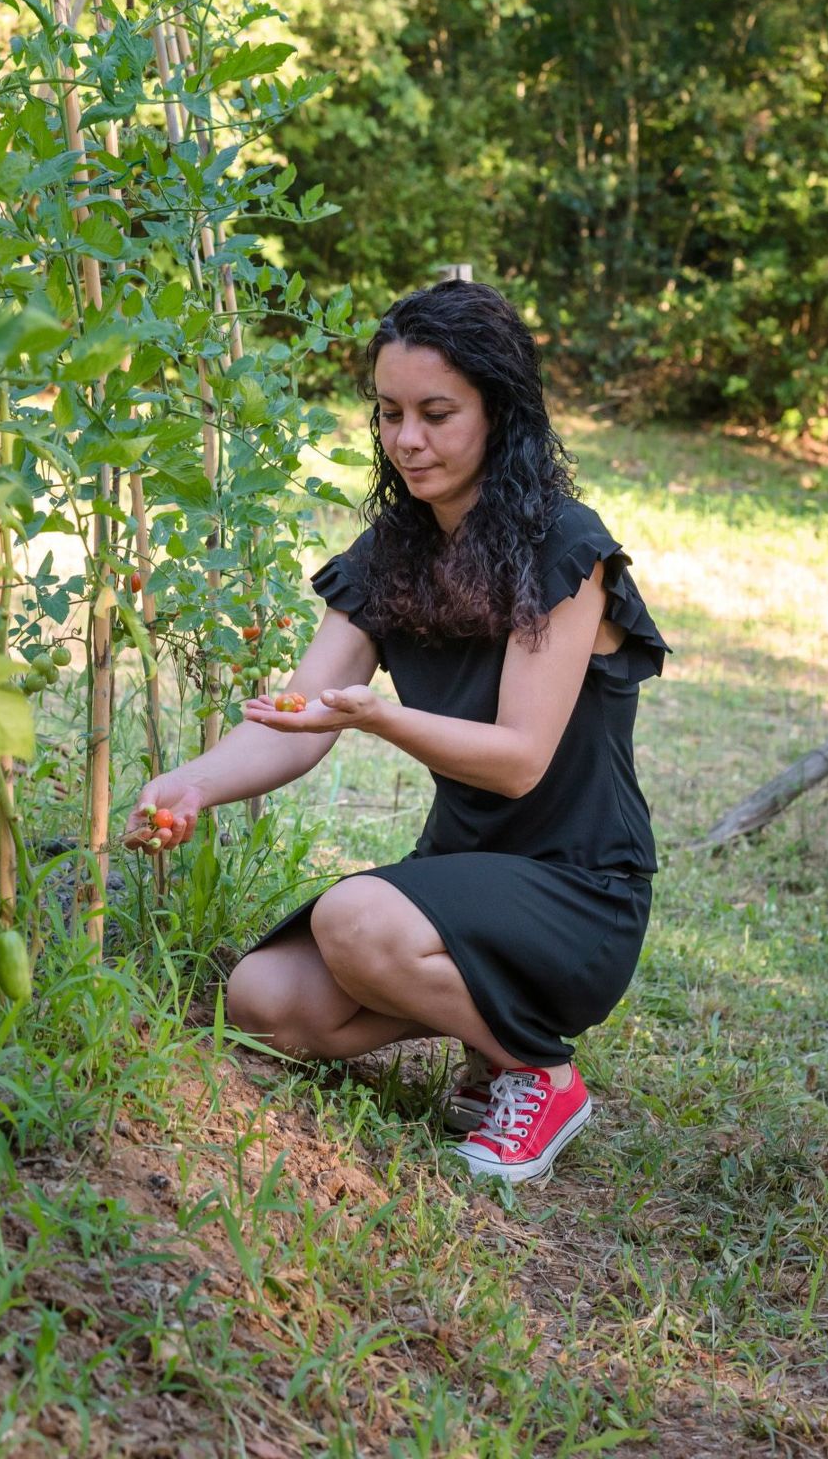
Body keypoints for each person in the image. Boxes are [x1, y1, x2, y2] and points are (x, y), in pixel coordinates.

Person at [122, 281, 669, 1183]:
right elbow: (301, 719)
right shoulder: (395, 553)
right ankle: (489, 1045)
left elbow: (521, 763)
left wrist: (384, 717)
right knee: (261, 999)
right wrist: (194, 784)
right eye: (388, 414)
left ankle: (538, 1069)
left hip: (580, 893)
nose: (406, 440)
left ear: (500, 412)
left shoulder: (565, 551)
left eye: (436, 414)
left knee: (353, 918)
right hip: (460, 884)